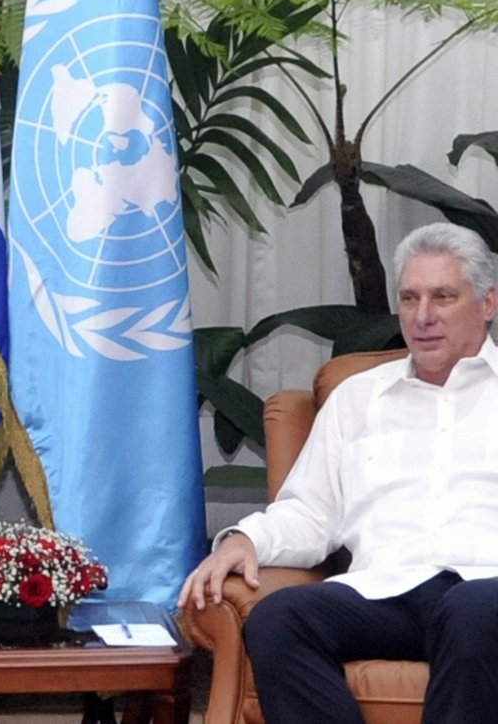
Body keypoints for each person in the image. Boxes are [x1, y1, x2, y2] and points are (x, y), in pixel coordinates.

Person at [178, 221, 498, 724]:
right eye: (410, 298)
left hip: (486, 587)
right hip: (385, 590)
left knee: (472, 614)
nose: (423, 316)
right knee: (278, 620)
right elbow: (310, 510)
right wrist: (246, 541)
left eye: (443, 297)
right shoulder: (357, 398)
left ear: (487, 304)